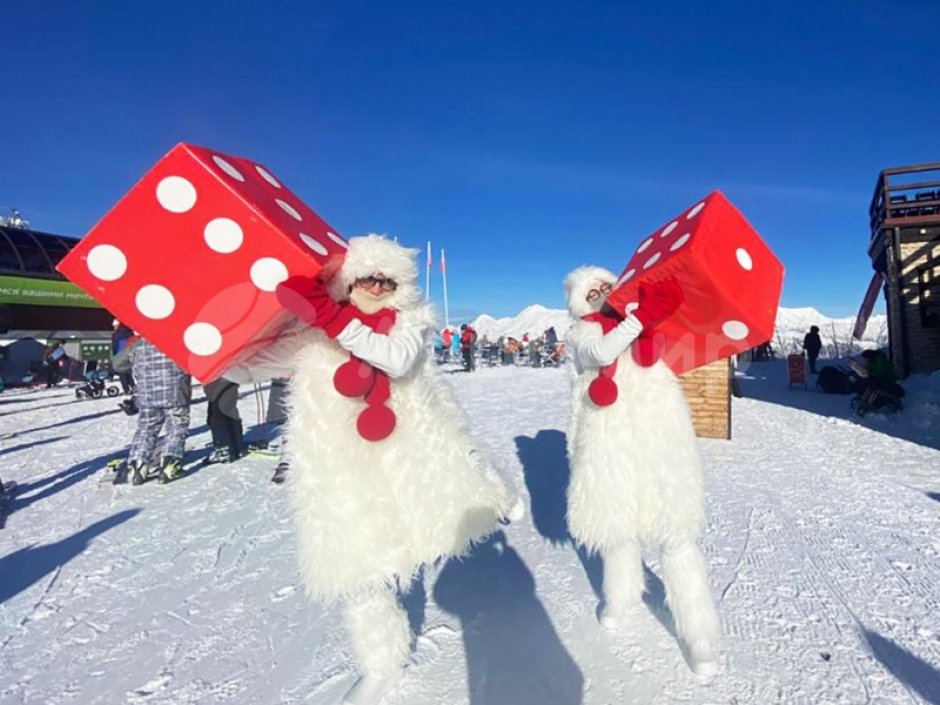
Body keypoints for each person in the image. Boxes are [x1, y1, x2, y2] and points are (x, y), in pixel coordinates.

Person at [226, 235, 519, 704]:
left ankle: (498, 496)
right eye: (368, 277)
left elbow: (397, 359)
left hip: (410, 452)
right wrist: (213, 351)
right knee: (355, 565)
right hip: (345, 461)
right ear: (347, 280)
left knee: (443, 512)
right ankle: (381, 662)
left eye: (388, 278)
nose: (378, 286)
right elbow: (248, 368)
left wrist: (330, 316)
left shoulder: (408, 323)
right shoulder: (317, 332)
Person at [564, 266, 720, 677]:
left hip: (658, 434)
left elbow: (666, 351)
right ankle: (621, 597)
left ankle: (698, 631)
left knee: (675, 530)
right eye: (591, 290)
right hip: (609, 437)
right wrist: (640, 318)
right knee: (617, 524)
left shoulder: (640, 323)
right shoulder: (582, 333)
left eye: (606, 286)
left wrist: (649, 315)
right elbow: (599, 354)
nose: (600, 293)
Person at [123, 338, 192, 485]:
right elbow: (188, 364)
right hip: (175, 393)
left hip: (147, 394)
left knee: (146, 429)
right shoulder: (176, 339)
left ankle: (137, 464)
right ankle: (170, 461)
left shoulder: (137, 343)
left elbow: (125, 364)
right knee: (177, 427)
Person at [203, 377, 245, 464]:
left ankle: (224, 447)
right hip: (231, 374)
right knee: (229, 407)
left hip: (215, 376)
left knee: (217, 412)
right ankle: (236, 444)